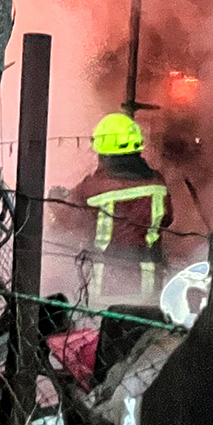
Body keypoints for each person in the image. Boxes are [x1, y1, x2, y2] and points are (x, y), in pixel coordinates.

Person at [70, 112, 173, 302]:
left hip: (103, 286)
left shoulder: (92, 187)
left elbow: (70, 223)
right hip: (149, 287)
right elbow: (166, 219)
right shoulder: (158, 184)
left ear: (105, 155)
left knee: (103, 322)